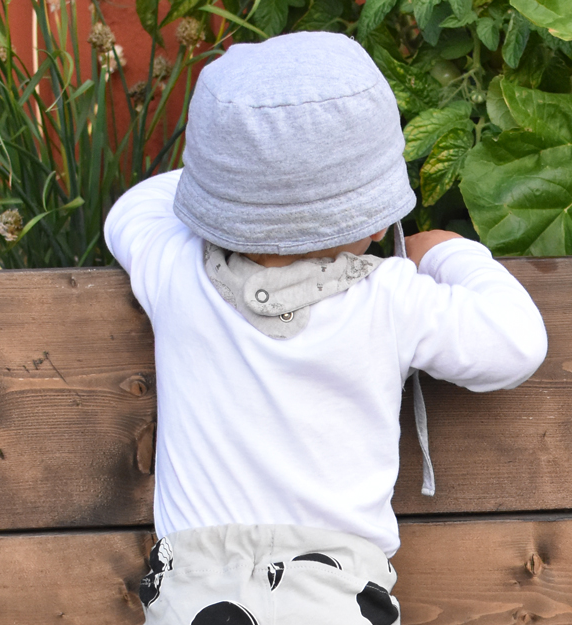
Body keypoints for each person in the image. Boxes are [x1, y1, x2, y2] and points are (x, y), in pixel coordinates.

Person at [105, 31, 548, 625]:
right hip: (334, 592)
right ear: (370, 219)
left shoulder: (174, 269)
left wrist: (232, 192)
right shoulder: (389, 299)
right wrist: (446, 252)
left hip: (195, 598)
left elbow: (133, 209)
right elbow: (517, 342)